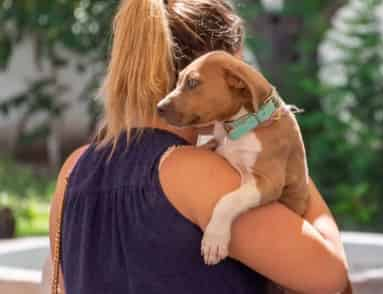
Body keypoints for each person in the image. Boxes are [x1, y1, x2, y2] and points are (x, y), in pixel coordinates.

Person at [48, 0, 350, 293]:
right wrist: (282, 147)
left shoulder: (73, 169)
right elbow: (330, 276)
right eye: (239, 72)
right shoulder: (194, 173)